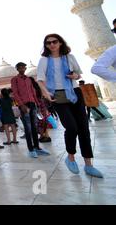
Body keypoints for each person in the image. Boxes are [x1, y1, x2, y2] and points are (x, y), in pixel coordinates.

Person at [37, 34, 103, 178]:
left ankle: (88, 165)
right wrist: (46, 93)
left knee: (84, 129)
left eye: (54, 42)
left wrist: (75, 76)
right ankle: (71, 157)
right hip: (57, 95)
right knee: (71, 127)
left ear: (60, 43)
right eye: (48, 43)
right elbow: (40, 80)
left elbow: (78, 74)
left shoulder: (69, 57)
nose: (52, 45)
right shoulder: (44, 60)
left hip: (75, 93)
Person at [11, 62, 50, 158]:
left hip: (32, 104)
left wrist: (37, 103)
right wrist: (21, 105)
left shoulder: (28, 79)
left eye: (23, 67)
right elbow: (15, 93)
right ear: (17, 69)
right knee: (27, 128)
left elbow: (32, 92)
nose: (22, 69)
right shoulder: (15, 80)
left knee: (34, 127)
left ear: (25, 68)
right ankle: (31, 149)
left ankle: (37, 147)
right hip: (24, 105)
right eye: (20, 67)